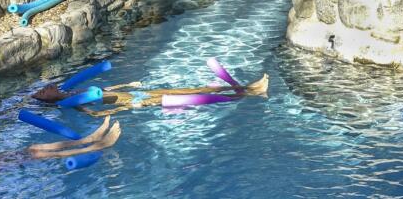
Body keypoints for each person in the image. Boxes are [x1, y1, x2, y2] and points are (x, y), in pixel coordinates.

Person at [32, 73, 270, 116]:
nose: (44, 89)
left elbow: (105, 90)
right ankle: (250, 93)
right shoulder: (70, 103)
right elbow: (93, 113)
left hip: (135, 92)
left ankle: (250, 88)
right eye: (42, 93)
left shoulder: (72, 90)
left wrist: (128, 82)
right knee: (190, 97)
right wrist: (122, 109)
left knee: (188, 90)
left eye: (42, 88)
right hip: (138, 101)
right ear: (49, 100)